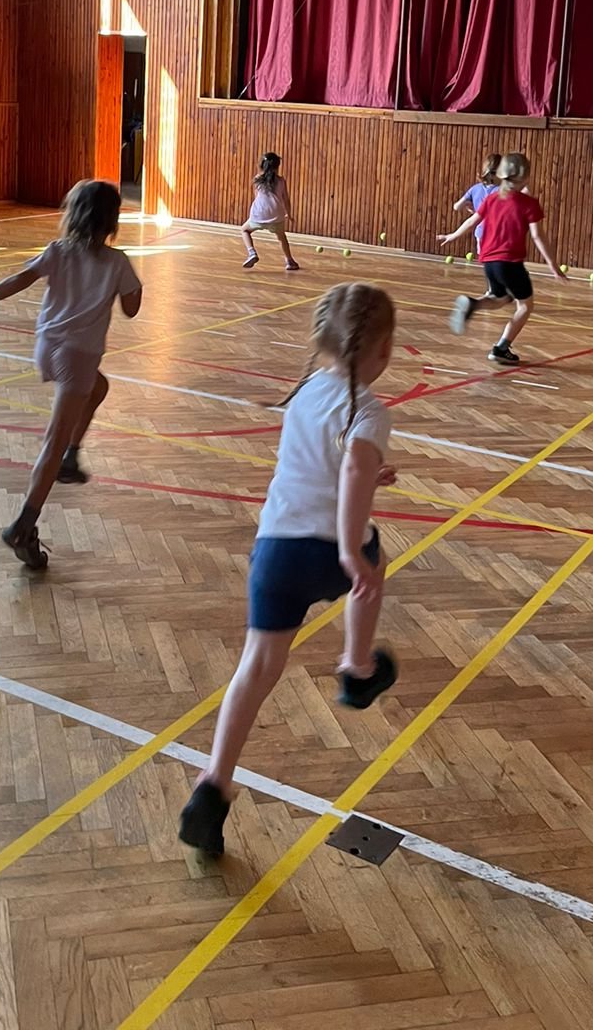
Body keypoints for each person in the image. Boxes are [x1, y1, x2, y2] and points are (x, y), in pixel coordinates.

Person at [179, 282, 398, 857]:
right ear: (383, 350)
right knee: (375, 564)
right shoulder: (369, 411)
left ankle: (213, 784)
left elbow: (325, 465)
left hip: (277, 553)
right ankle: (356, 667)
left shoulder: (304, 394)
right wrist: (349, 550)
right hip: (328, 553)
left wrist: (364, 475)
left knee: (255, 668)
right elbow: (352, 471)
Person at [0, 180, 141, 570]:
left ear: (74, 215)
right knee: (53, 441)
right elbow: (131, 309)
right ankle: (25, 522)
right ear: (112, 220)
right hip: (78, 356)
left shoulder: (58, 251)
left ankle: (72, 456)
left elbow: (20, 279)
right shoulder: (117, 262)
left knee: (99, 388)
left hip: (47, 348)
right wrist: (130, 287)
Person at [439, 152, 565, 367]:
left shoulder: (491, 199)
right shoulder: (529, 204)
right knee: (525, 306)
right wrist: (553, 265)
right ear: (526, 177)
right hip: (510, 263)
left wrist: (452, 235)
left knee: (501, 299)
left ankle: (473, 304)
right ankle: (501, 348)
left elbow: (472, 221)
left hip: (489, 262)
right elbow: (537, 236)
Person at [241, 151, 300, 271]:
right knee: (282, 237)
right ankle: (289, 261)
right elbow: (286, 199)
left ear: (261, 166)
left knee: (244, 230)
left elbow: (256, 197)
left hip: (259, 215)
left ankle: (252, 253)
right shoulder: (281, 181)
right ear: (277, 167)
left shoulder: (257, 179)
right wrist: (289, 214)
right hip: (276, 216)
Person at [452, 154, 500, 253]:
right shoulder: (502, 191)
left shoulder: (475, 189)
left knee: (483, 259)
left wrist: (469, 205)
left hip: (480, 232)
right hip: (497, 234)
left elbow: (456, 207)